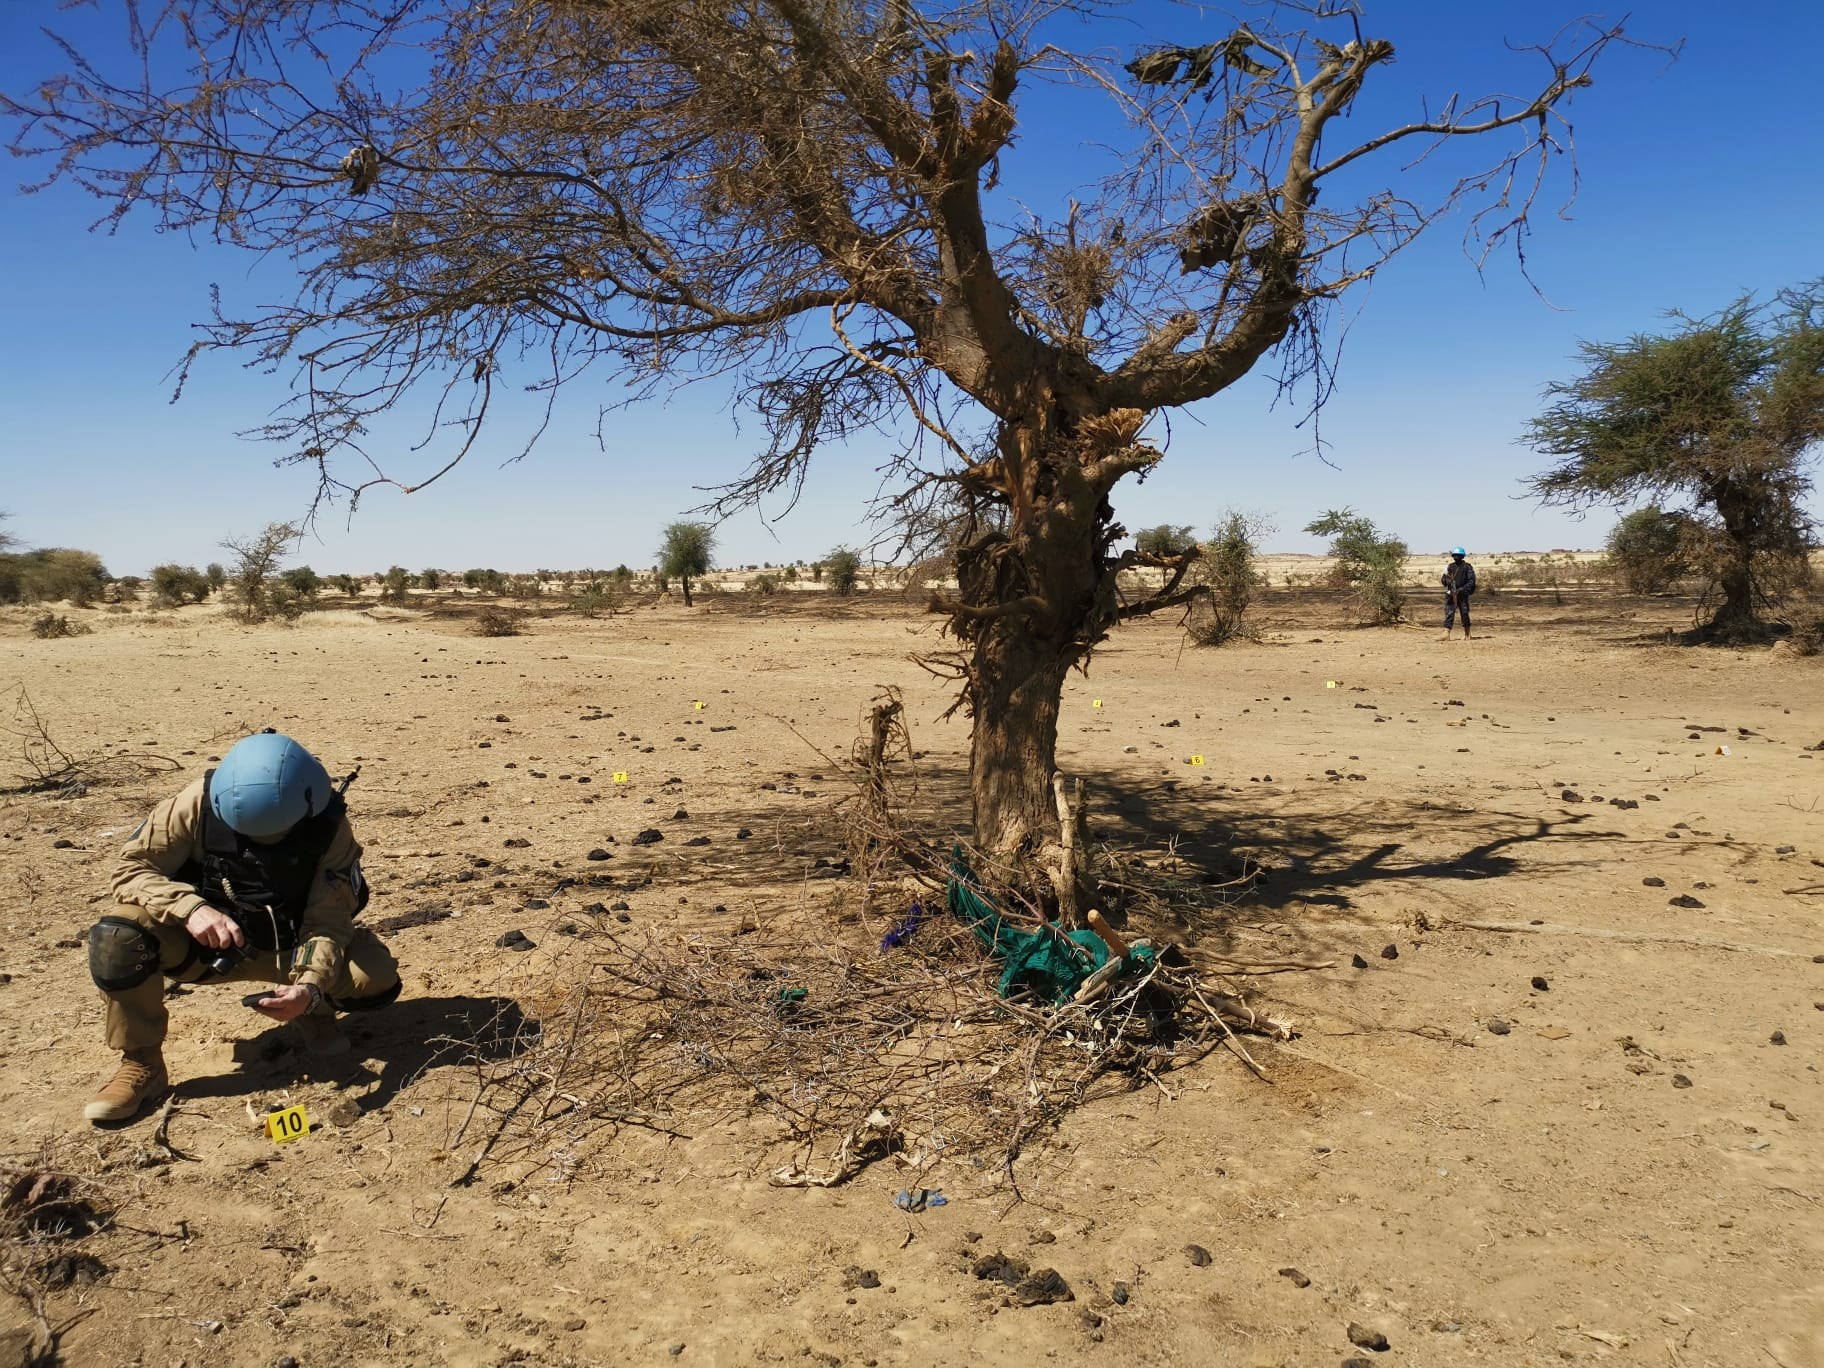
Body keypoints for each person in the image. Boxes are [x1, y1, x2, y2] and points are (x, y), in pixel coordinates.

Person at [83, 732, 401, 1123]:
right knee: (118, 936)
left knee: (373, 976)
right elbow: (131, 869)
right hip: (205, 946)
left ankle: (310, 1013)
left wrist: (310, 986)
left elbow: (327, 922)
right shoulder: (193, 805)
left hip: (290, 947)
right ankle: (142, 1063)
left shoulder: (329, 827)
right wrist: (190, 908)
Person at [1441, 546, 1477, 639]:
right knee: (1449, 613)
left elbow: (1471, 582)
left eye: (1458, 555)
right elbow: (1443, 578)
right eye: (1455, 555)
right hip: (1451, 594)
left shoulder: (1467, 567)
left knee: (1464, 613)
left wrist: (1461, 590)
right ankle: (1446, 634)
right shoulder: (1450, 567)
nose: (1456, 557)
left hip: (1462, 595)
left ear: (1462, 556)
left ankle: (1467, 634)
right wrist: (1447, 581)